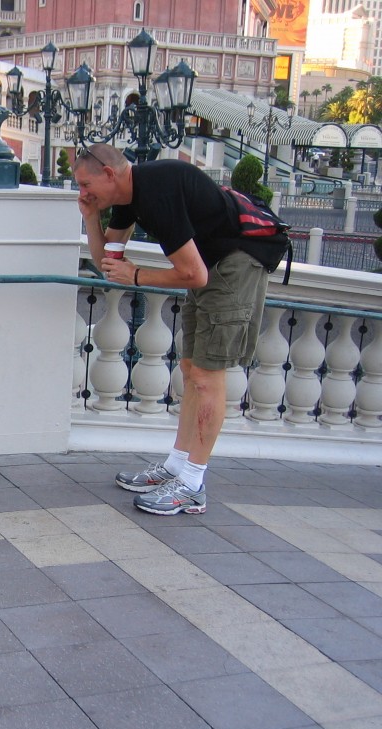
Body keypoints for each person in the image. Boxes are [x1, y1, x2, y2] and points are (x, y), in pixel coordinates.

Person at [73, 143, 270, 516]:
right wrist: (91, 218)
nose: (82, 193)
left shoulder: (158, 191)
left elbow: (193, 274)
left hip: (236, 265)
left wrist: (137, 275)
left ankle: (192, 483)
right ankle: (177, 466)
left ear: (110, 174)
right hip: (211, 266)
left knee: (207, 376)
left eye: (85, 185)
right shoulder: (129, 196)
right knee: (191, 369)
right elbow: (106, 264)